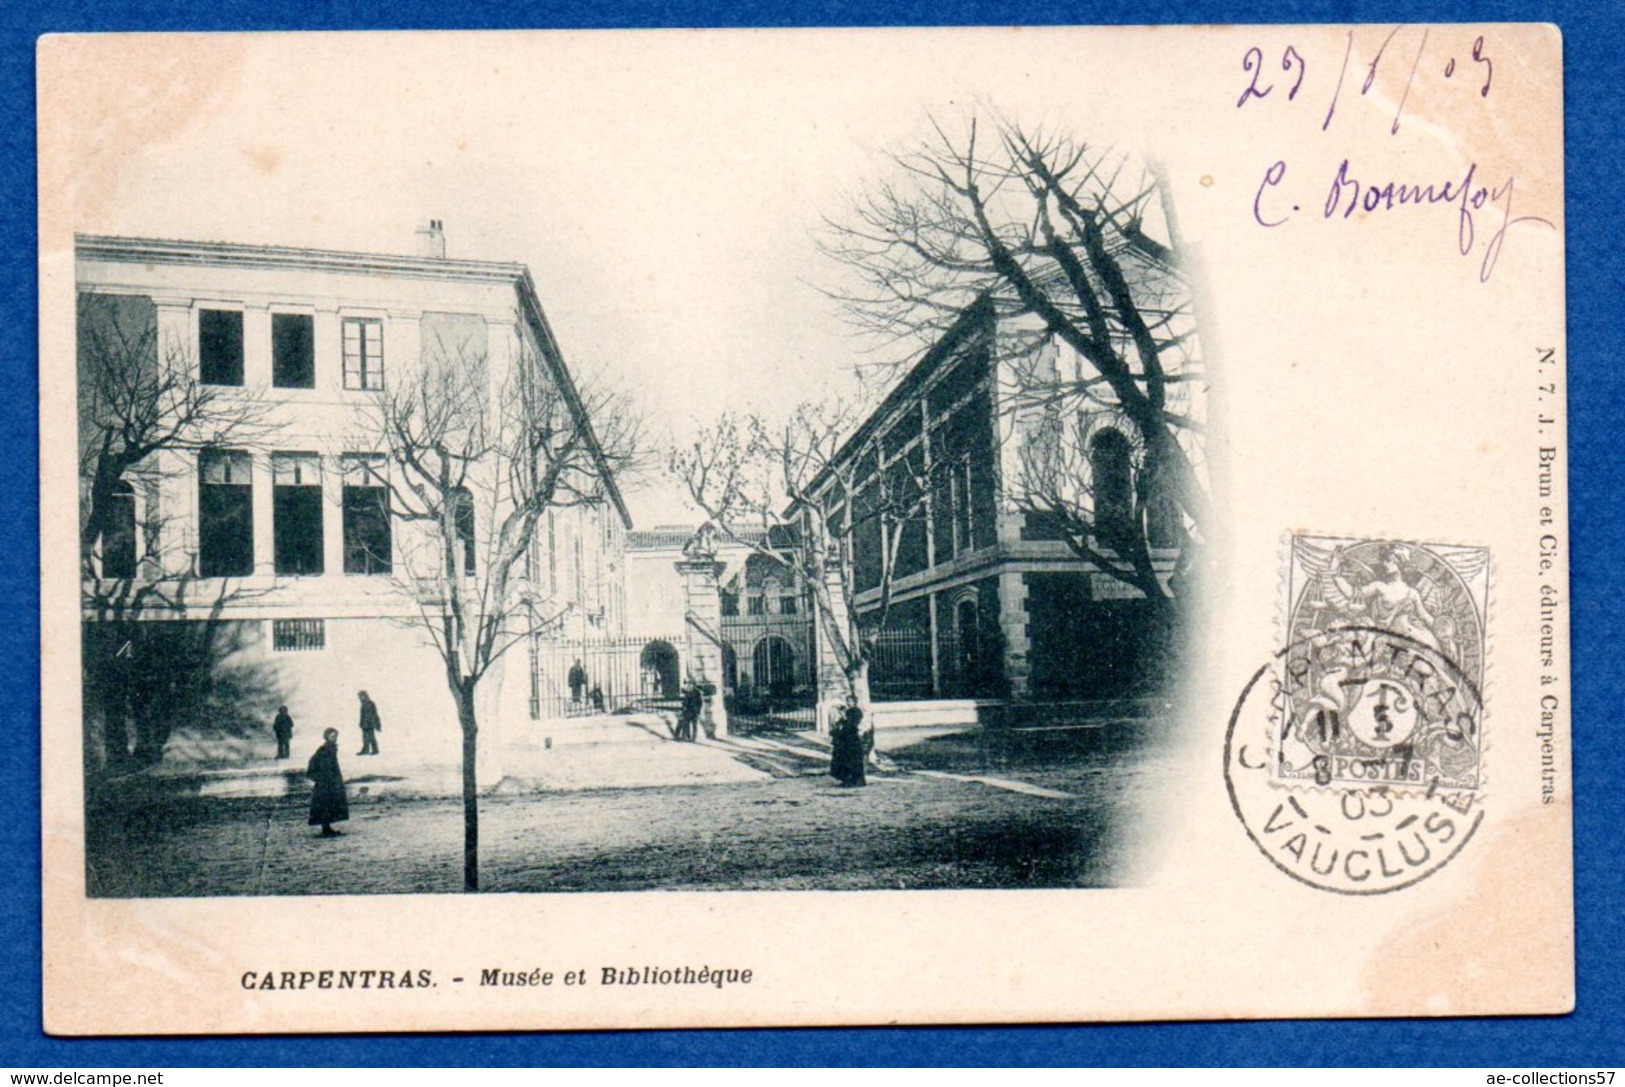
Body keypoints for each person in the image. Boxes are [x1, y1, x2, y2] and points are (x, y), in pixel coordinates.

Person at [306, 728, 349, 837]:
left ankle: (327, 828)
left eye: (335, 736)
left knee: (328, 804)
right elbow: (317, 762)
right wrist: (321, 777)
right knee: (326, 804)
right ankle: (326, 829)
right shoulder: (325, 748)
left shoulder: (330, 748)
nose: (334, 738)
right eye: (331, 736)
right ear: (326, 737)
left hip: (328, 781)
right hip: (326, 782)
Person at [829, 699, 867, 787]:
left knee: (853, 760)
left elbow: (853, 724)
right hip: (845, 740)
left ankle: (856, 780)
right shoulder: (848, 711)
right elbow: (840, 724)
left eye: (851, 701)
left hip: (853, 740)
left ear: (855, 702)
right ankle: (845, 779)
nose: (849, 703)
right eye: (848, 701)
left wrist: (844, 717)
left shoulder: (857, 711)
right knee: (844, 759)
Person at [357, 690, 382, 755]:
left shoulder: (369, 703)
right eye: (360, 696)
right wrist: (361, 722)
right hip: (366, 724)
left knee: (370, 737)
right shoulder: (364, 704)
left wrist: (376, 724)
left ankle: (373, 750)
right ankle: (368, 750)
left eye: (361, 696)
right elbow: (363, 716)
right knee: (366, 738)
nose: (360, 697)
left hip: (369, 724)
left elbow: (373, 714)